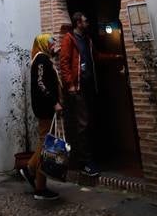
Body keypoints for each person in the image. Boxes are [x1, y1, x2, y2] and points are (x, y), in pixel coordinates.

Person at [60, 12, 123, 176]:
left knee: (91, 121)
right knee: (83, 124)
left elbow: (96, 56)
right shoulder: (69, 39)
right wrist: (71, 85)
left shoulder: (87, 40)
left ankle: (93, 157)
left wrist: (114, 56)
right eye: (85, 21)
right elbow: (64, 62)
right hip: (78, 88)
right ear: (77, 23)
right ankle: (84, 162)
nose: (88, 23)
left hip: (89, 86)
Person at [20, 33, 63, 201]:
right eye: (51, 42)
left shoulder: (45, 59)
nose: (54, 45)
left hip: (46, 107)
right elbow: (41, 83)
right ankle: (31, 169)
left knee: (46, 141)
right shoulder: (41, 60)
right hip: (45, 107)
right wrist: (54, 102)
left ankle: (39, 185)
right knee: (46, 143)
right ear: (44, 44)